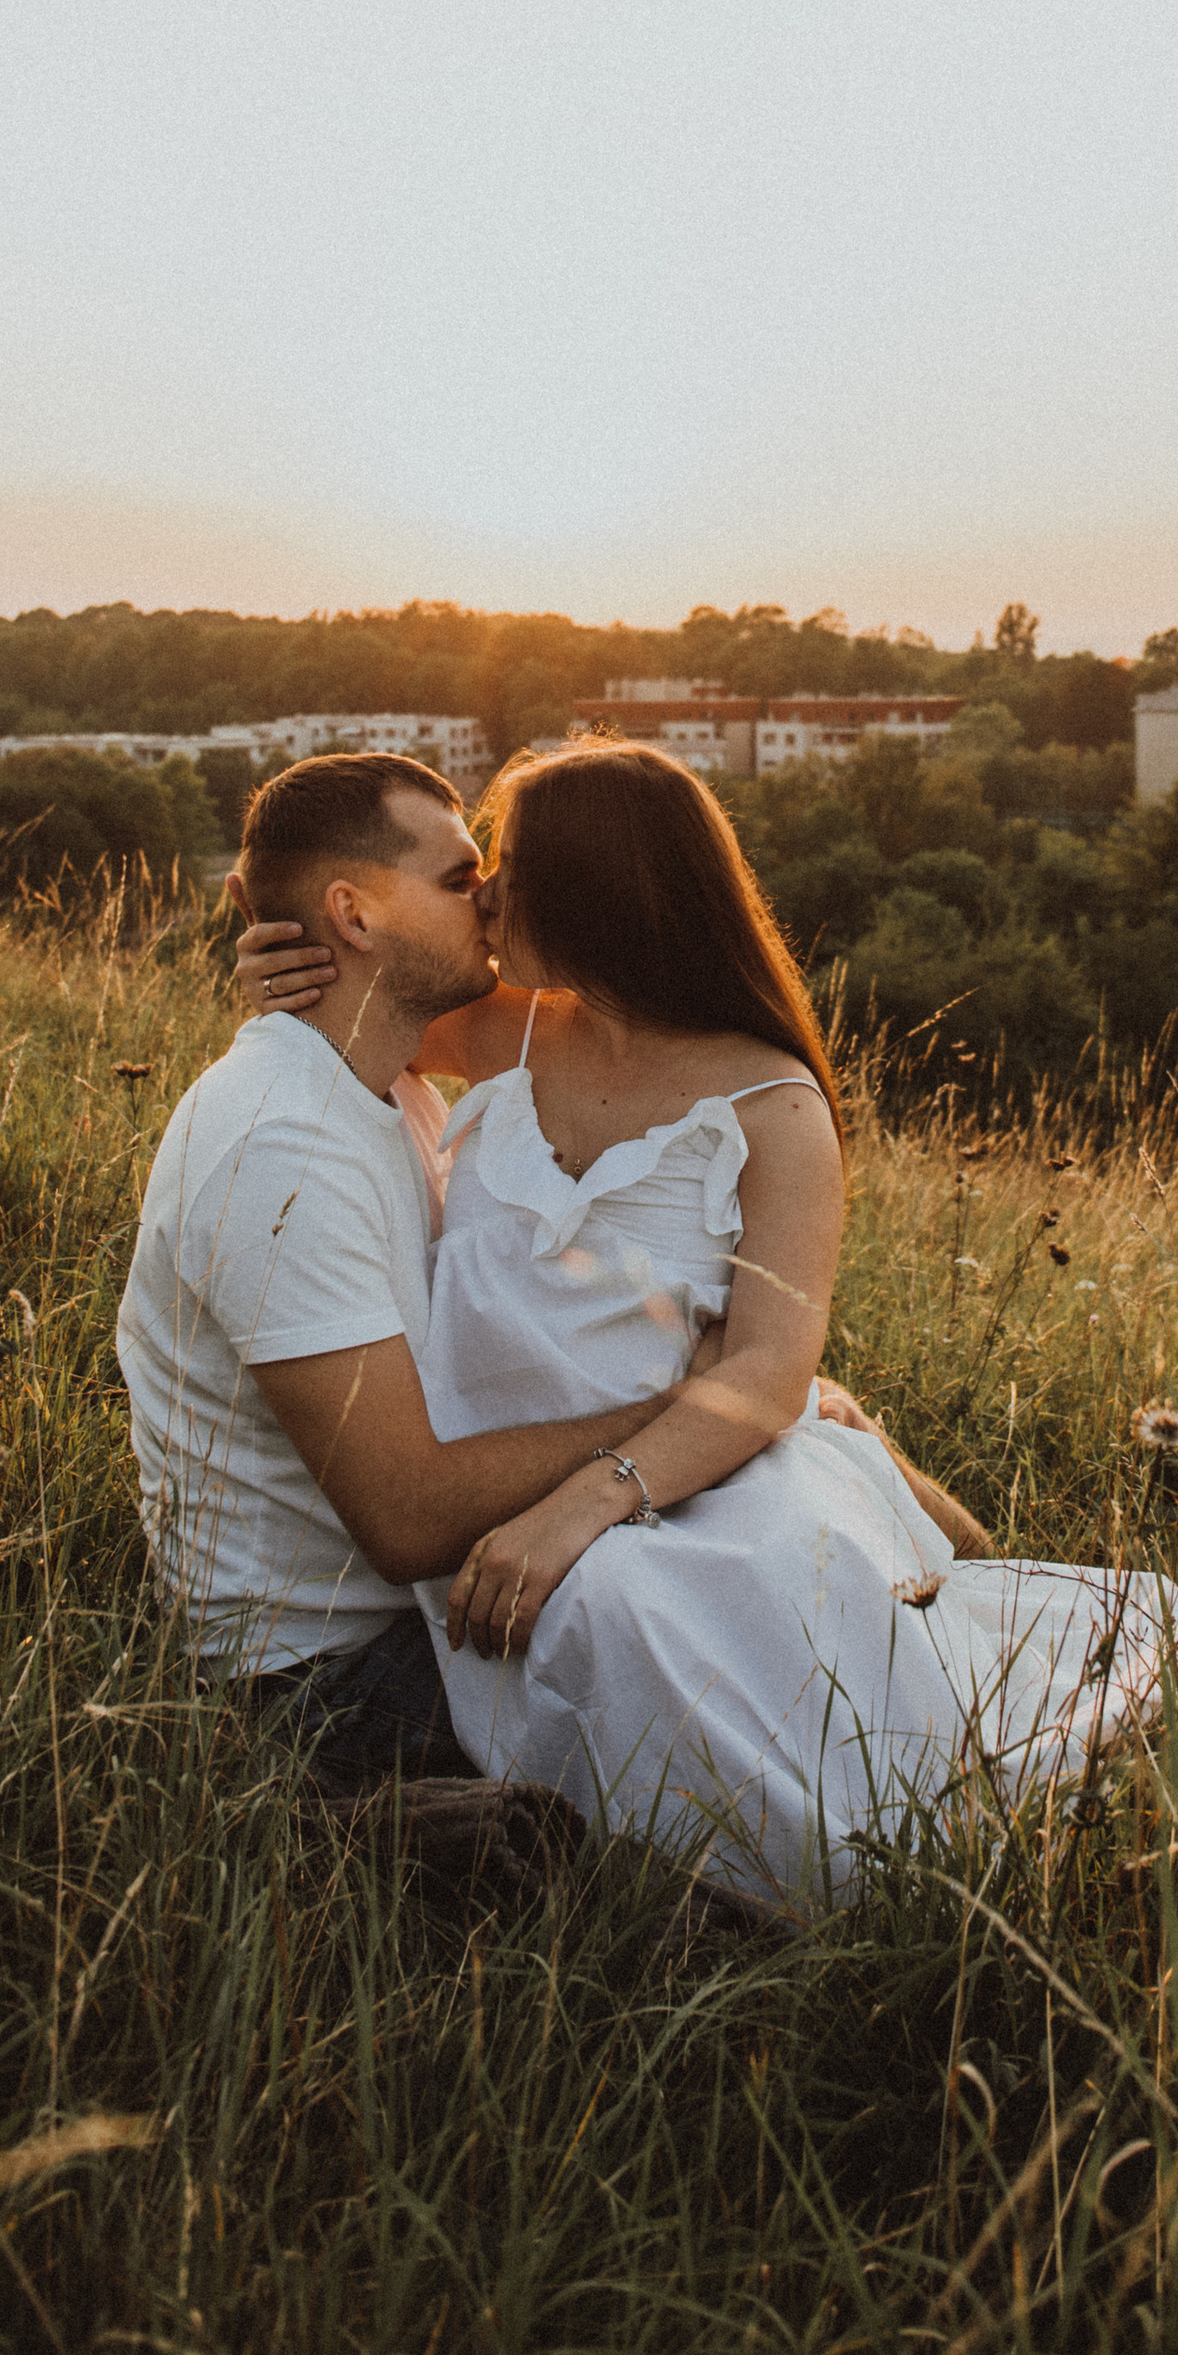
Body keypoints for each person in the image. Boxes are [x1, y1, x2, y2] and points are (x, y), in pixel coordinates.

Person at [235, 739, 1178, 1903]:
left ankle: (831, 1879)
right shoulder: (520, 1027)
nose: (488, 893)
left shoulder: (773, 1105)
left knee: (711, 1672)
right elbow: (364, 999)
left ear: (603, 892)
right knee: (598, 1626)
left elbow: (766, 1364)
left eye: (513, 866)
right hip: (493, 1486)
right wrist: (269, 960)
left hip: (688, 1486)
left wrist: (578, 1509)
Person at [115, 749, 821, 1797]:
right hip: (332, 1664)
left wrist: (758, 1403)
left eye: (495, 869)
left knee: (822, 1600)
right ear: (357, 918)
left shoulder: (396, 1075)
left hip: (446, 1592)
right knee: (761, 1744)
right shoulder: (282, 1143)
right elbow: (405, 1519)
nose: (487, 894)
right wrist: (682, 1404)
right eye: (459, 878)